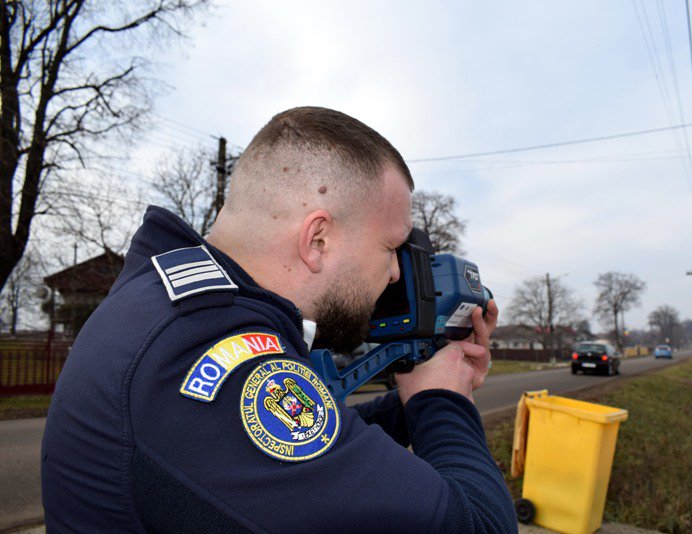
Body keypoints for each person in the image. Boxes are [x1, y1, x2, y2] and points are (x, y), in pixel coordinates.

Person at [41, 107, 516, 533]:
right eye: (391, 248)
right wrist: (442, 402)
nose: (395, 272)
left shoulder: (173, 305)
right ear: (318, 240)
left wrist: (414, 397)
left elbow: (312, 438)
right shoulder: (198, 351)